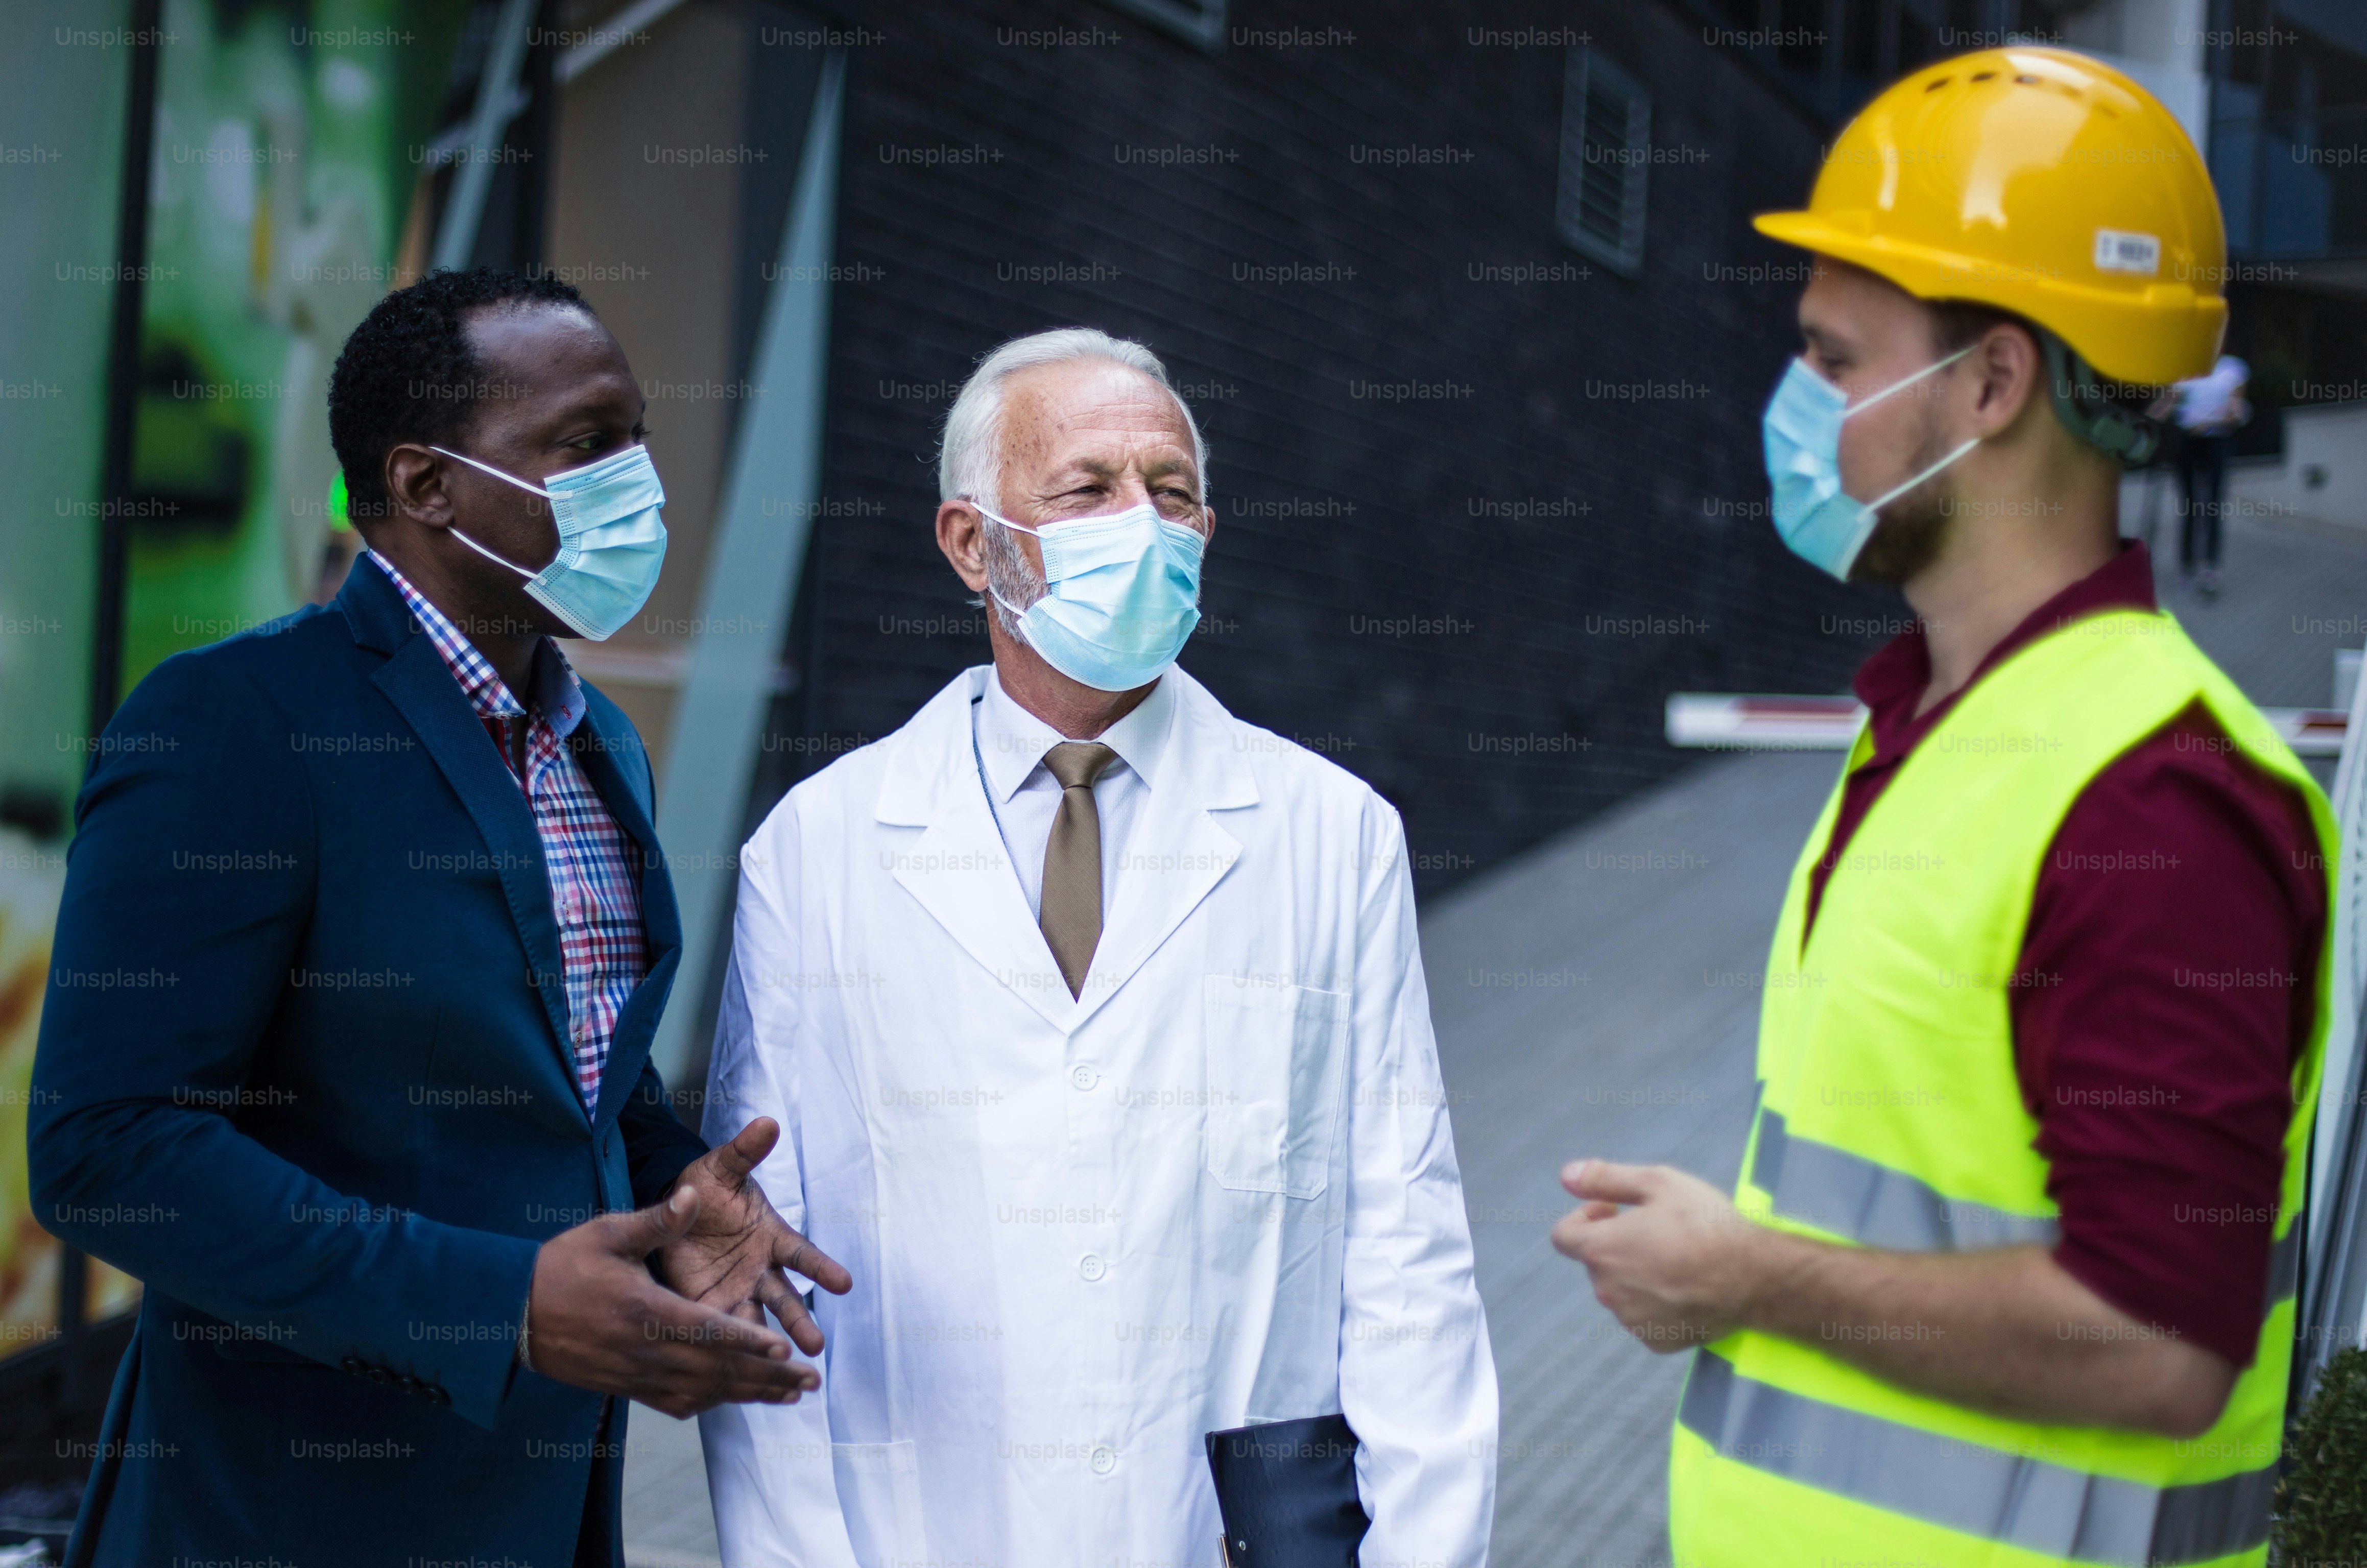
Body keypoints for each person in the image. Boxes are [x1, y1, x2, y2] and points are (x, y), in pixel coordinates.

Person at [1549, 50, 2331, 1568]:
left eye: (1835, 361)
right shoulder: (1932, 723)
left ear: (1991, 384)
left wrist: (1746, 1275)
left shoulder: (2157, 798)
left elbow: (2162, 1341)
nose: (1800, 408)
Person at [30, 267, 850, 1568]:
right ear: (424, 485)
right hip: (284, 1517)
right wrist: (498, 1303)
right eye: (584, 443)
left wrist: (675, 1182)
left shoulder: (601, 742)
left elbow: (570, 1075)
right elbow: (109, 1145)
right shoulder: (238, 720)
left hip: (540, 1508)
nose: (636, 483)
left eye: (635, 437)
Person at [696, 328, 1497, 1564]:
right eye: (1088, 488)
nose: (1143, 522)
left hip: (1225, 1528)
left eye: (1171, 492)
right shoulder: (817, 846)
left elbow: (1406, 1243)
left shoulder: (1332, 833)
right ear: (973, 543)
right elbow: (763, 1262)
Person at [2155, 353, 2251, 596]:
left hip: (2217, 440)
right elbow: (2168, 402)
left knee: (2213, 505)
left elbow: (2236, 409)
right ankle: (2187, 565)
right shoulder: (2186, 366)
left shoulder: (2232, 368)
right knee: (2189, 505)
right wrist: (2153, 417)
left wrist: (2210, 422)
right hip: (2187, 441)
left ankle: (2210, 567)